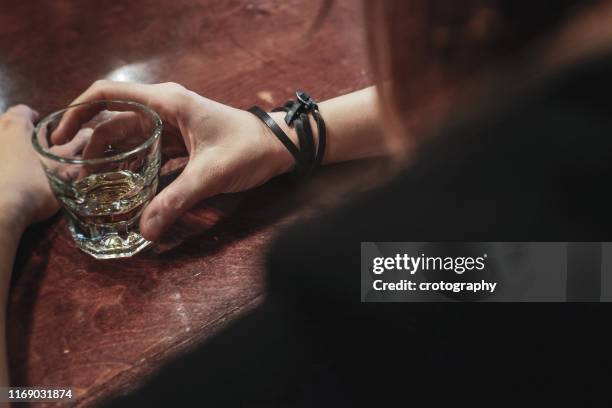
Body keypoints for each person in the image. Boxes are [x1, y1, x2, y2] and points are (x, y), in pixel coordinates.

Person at [2, 0, 612, 405]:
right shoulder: (567, 259)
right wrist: (290, 134)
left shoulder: (372, 306)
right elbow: (559, 273)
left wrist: (3, 211)